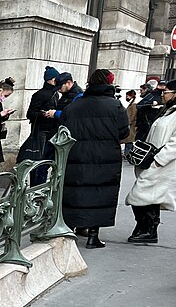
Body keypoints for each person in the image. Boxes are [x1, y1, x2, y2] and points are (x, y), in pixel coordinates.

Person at [57, 69, 130, 249]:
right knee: (99, 193)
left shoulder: (74, 106)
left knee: (77, 190)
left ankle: (70, 230)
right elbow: (124, 132)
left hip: (76, 155)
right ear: (109, 84)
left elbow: (63, 129)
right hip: (104, 157)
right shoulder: (115, 106)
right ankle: (93, 236)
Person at [124, 79, 176, 243]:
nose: (163, 95)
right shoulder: (168, 111)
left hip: (163, 164)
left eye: (165, 92)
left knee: (141, 194)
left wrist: (159, 159)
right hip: (154, 161)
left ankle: (149, 229)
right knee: (150, 196)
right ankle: (145, 228)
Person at [25, 65, 61, 184]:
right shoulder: (40, 94)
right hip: (40, 133)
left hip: (51, 132)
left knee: (46, 162)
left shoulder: (56, 94)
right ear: (52, 80)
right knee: (38, 160)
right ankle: (35, 187)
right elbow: (30, 113)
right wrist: (43, 114)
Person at [122, 89, 137, 156]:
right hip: (130, 125)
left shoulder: (134, 105)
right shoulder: (131, 104)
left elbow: (132, 116)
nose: (126, 97)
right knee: (128, 141)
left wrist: (128, 122)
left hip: (131, 126)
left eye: (127, 96)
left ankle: (127, 154)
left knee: (129, 141)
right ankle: (127, 153)